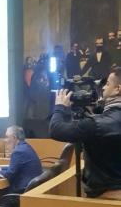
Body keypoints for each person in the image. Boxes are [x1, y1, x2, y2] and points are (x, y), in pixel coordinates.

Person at [49, 68, 121, 199]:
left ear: (118, 89)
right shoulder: (102, 120)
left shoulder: (97, 124)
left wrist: (59, 107)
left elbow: (56, 129)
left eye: (108, 84)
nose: (103, 87)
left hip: (105, 196)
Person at [0, 126, 43, 196]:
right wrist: (0, 168)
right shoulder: (25, 146)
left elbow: (9, 174)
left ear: (14, 137)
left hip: (22, 192)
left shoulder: (18, 151)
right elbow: (14, 168)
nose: (5, 140)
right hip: (32, 190)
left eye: (7, 137)